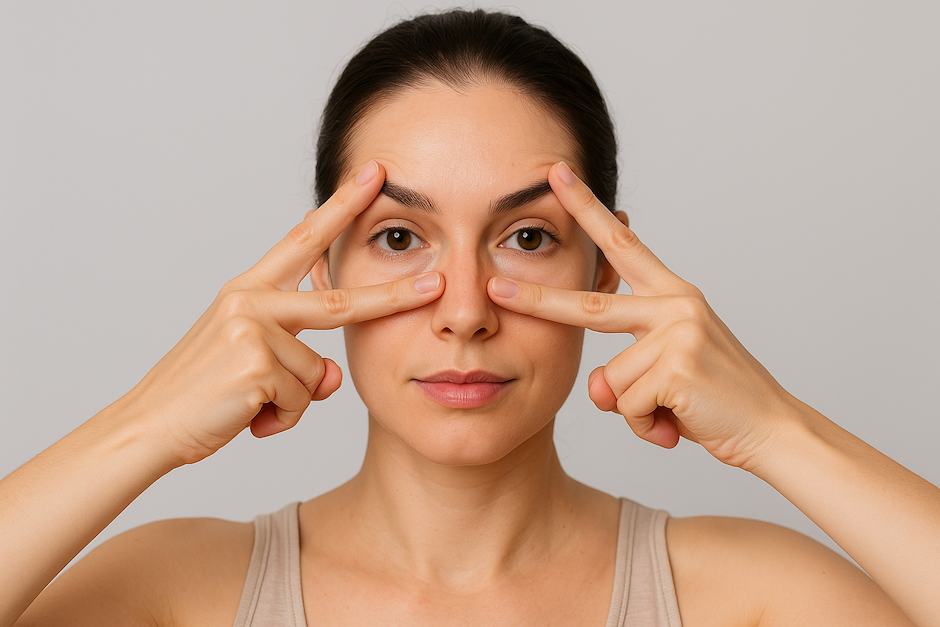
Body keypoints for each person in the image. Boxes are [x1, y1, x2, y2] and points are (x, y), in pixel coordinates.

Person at [2, 8, 938, 627]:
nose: (463, 311)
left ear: (609, 266)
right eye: (400, 238)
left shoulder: (742, 599)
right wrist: (142, 426)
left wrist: (779, 431)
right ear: (319, 265)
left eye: (526, 237)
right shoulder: (177, 593)